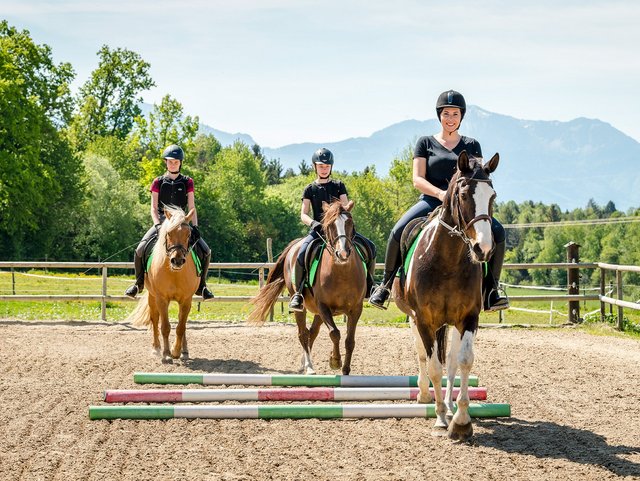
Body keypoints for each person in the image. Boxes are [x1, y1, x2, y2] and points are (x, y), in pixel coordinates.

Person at [368, 89, 509, 311]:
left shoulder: (472, 145)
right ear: (439, 116)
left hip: (463, 206)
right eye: (446, 114)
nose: (450, 118)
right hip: (432, 200)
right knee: (398, 230)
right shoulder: (425, 143)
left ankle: (492, 290)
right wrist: (441, 194)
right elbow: (417, 179)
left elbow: (478, 176)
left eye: (454, 114)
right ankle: (384, 286)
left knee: (498, 232)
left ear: (461, 117)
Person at [288, 148, 376, 312]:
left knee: (370, 247)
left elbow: (345, 206)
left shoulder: (338, 185)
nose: (324, 168)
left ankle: (370, 285)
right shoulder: (309, 189)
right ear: (315, 166)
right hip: (318, 231)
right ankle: (298, 294)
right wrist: (314, 224)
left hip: (340, 230)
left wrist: (343, 214)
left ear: (331, 167)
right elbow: (303, 214)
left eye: (327, 166)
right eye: (321, 166)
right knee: (301, 254)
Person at [124, 144, 214, 300]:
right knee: (140, 249)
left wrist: (195, 226)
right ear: (166, 162)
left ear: (180, 163)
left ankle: (202, 286)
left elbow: (192, 207)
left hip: (182, 222)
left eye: (176, 161)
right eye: (170, 161)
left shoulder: (188, 182)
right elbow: (153, 208)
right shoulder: (158, 182)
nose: (173, 164)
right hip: (162, 221)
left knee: (206, 250)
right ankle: (138, 283)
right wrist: (158, 225)